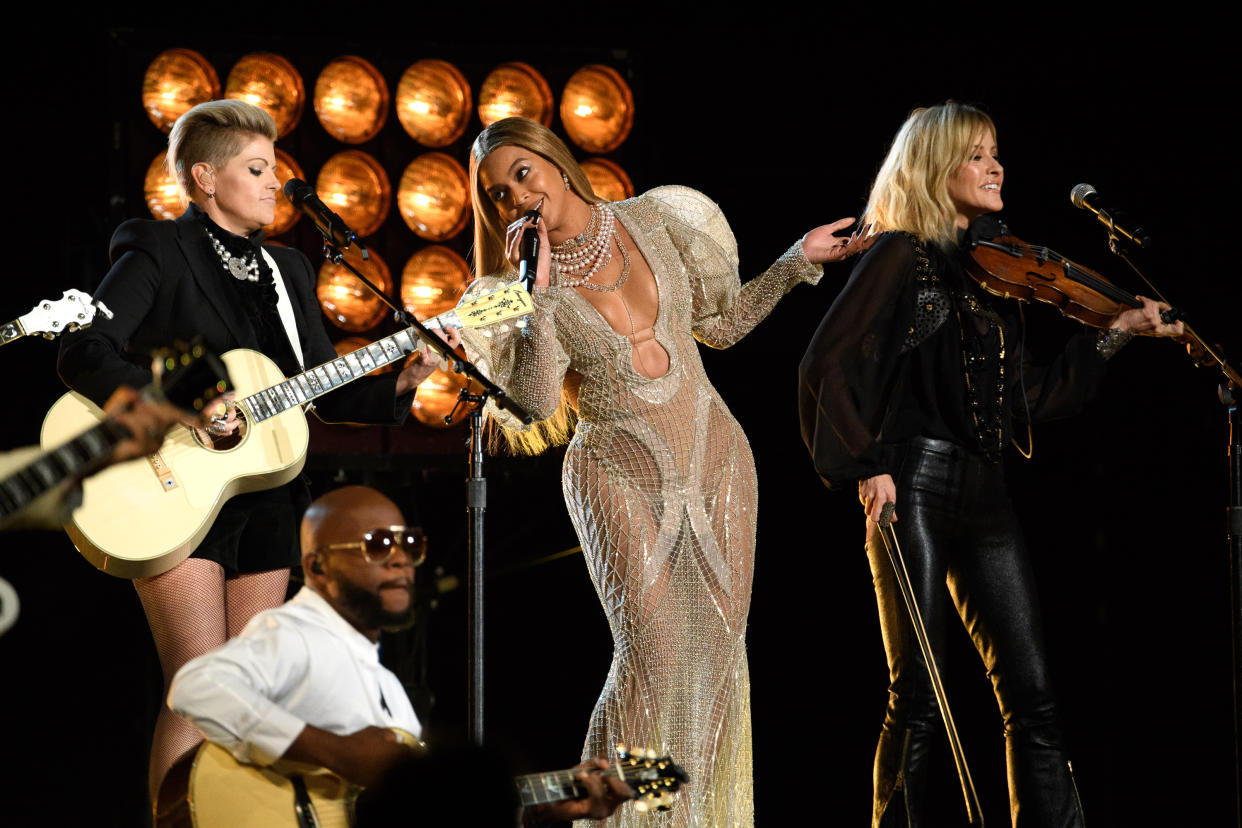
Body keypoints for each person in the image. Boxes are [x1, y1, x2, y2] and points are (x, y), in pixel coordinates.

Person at [461, 116, 871, 826]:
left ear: (557, 164)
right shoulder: (510, 292)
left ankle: (691, 815)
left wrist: (794, 261)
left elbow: (723, 325)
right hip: (613, 466)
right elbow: (529, 404)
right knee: (651, 656)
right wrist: (537, 293)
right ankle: (618, 816)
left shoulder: (659, 216)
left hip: (715, 454)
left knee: (713, 658)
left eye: (522, 173)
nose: (515, 197)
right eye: (496, 195)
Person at [55, 99, 456, 820]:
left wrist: (400, 381)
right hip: (171, 485)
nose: (277, 183)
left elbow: (316, 389)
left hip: (267, 491)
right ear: (205, 178)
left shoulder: (290, 268)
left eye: (275, 167)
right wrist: (186, 406)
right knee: (202, 679)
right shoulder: (155, 247)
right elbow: (84, 350)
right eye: (257, 168)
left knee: (252, 688)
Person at [797, 102, 1184, 827]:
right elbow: (825, 362)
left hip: (986, 488)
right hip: (910, 481)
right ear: (937, 167)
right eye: (976, 155)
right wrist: (865, 463)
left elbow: (1028, 398)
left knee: (1032, 694)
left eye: (995, 152)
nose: (995, 165)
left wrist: (1115, 334)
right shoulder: (900, 251)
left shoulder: (992, 270)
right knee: (917, 689)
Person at [170, 485, 633, 827]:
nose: (399, 559)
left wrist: (536, 811)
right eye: (376, 545)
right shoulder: (294, 632)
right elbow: (196, 687)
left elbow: (427, 815)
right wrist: (337, 752)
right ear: (317, 566)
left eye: (409, 544)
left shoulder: (389, 689)